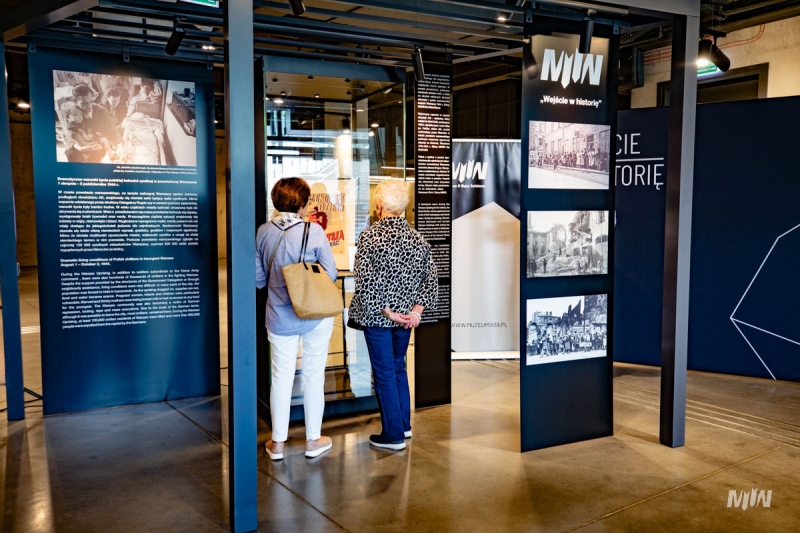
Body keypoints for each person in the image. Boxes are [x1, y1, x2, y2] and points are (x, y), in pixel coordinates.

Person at [348, 179, 437, 451]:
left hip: (378, 318)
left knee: (384, 371)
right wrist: (414, 313)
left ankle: (392, 435)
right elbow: (431, 280)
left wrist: (389, 312)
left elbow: (365, 282)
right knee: (398, 367)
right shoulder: (418, 238)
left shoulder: (370, 236)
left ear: (379, 205)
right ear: (403, 207)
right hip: (405, 320)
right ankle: (404, 426)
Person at [255, 177, 337, 460]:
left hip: (279, 316)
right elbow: (331, 273)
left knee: (281, 378)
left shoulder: (264, 231)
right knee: (313, 375)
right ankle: (313, 440)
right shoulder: (313, 230)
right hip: (314, 314)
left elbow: (258, 279)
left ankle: (277, 443)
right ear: (301, 204)